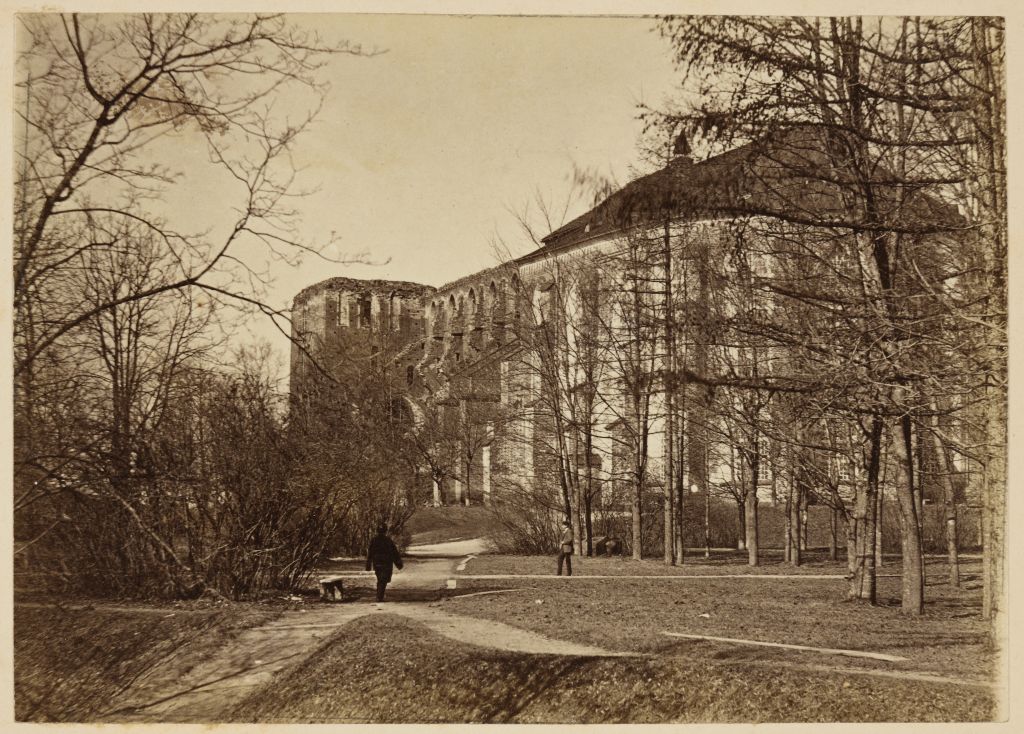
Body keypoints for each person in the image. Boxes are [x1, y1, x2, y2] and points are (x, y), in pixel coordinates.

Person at [366, 525, 403, 602]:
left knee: (380, 578)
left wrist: (368, 565)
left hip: (377, 563)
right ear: (386, 531)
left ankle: (379, 596)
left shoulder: (374, 540)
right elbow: (394, 553)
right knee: (384, 579)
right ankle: (379, 596)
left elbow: (370, 553)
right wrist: (398, 563)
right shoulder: (388, 540)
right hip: (387, 563)